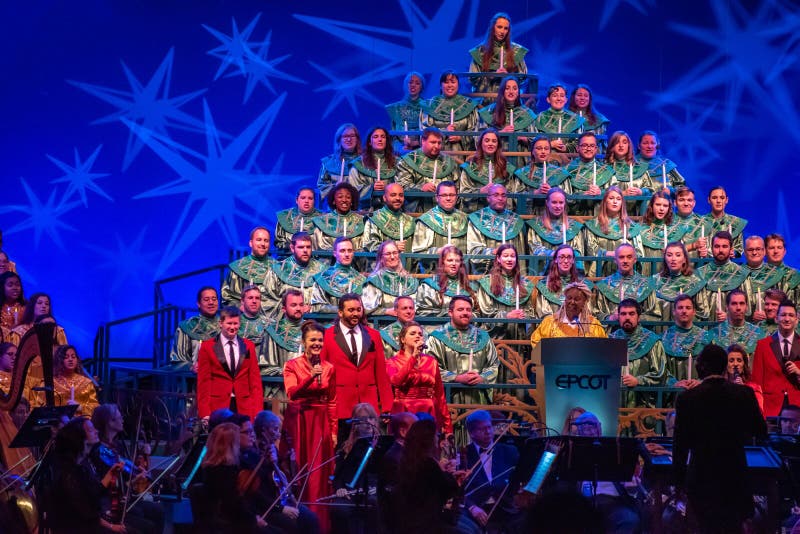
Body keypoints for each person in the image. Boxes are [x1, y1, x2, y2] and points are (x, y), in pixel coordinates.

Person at [673, 344, 767, 533]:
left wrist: (678, 481)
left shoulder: (687, 398)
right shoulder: (744, 394)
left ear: (701, 368)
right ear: (725, 366)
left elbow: (680, 444)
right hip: (735, 474)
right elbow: (760, 431)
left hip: (701, 476)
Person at [283, 321, 337, 526]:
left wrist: (333, 430)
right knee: (300, 470)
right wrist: (310, 378)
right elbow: (292, 393)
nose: (317, 343)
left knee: (319, 474)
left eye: (320, 340)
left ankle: (319, 523)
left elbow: (332, 400)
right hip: (300, 421)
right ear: (304, 342)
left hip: (320, 422)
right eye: (312, 340)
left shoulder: (329, 367)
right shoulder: (292, 365)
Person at [320, 293, 393, 442]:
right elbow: (323, 372)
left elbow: (381, 373)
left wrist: (387, 405)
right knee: (342, 452)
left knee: (368, 452)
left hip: (368, 405)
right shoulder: (327, 336)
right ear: (340, 312)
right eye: (351, 310)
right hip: (341, 405)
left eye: (358, 309)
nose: (355, 314)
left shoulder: (373, 335)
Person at [36, 416, 125, 533]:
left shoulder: (82, 464)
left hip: (90, 523)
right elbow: (86, 513)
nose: (96, 431)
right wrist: (112, 527)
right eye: (91, 430)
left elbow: (94, 493)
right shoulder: (66, 473)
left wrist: (110, 474)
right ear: (79, 437)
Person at [88, 404, 165, 534]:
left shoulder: (117, 445)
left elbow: (126, 480)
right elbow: (109, 484)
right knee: (147, 523)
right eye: (119, 417)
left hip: (124, 498)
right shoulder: (99, 451)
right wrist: (133, 475)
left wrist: (136, 471)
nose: (123, 419)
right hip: (110, 503)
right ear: (110, 423)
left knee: (158, 511)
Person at [241, 411, 321, 534]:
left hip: (280, 501)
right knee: (294, 524)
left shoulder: (272, 448)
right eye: (275, 429)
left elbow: (283, 478)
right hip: (266, 506)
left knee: (311, 518)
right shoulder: (253, 453)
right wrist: (281, 508)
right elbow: (258, 489)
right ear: (264, 430)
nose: (278, 434)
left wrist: (289, 461)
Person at [459, 410, 523, 533]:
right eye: (482, 429)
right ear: (472, 433)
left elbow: (520, 476)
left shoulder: (510, 451)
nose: (488, 432)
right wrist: (472, 507)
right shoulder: (463, 454)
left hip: (506, 508)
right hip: (478, 510)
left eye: (489, 427)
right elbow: (458, 490)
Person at [427, 296, 498, 405]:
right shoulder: (437, 338)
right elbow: (430, 368)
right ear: (450, 312)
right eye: (460, 309)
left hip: (477, 397)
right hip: (448, 398)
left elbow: (494, 365)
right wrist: (456, 378)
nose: (465, 313)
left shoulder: (483, 337)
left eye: (468, 310)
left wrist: (482, 377)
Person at [197, 307, 264, 421]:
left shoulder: (248, 346)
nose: (233, 327)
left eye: (236, 324)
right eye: (229, 323)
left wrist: (257, 411)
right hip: (218, 407)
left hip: (244, 406)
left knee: (243, 438)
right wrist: (205, 413)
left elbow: (255, 381)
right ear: (221, 323)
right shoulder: (207, 347)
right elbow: (204, 382)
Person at [386, 321, 452, 435]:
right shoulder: (392, 362)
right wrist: (413, 358)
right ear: (403, 339)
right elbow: (396, 381)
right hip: (404, 411)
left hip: (428, 410)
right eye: (412, 333)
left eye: (420, 334)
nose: (417, 336)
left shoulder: (431, 361)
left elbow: (440, 395)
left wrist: (448, 427)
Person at [199, 422, 267, 532]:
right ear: (230, 444)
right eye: (237, 441)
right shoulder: (224, 471)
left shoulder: (212, 467)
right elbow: (233, 504)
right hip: (231, 524)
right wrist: (254, 519)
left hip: (234, 519)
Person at [611, 299, 666, 408]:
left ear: (639, 317)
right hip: (616, 404)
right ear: (619, 317)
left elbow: (660, 374)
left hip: (643, 405)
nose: (627, 317)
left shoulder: (652, 341)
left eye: (631, 314)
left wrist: (638, 380)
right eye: (623, 314)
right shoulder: (611, 340)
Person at [474, 244, 534, 341]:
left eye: (512, 256)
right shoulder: (487, 282)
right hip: (495, 336)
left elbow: (530, 311)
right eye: (505, 256)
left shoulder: (525, 284)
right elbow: (485, 311)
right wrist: (507, 316)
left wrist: (523, 315)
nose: (509, 259)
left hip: (518, 334)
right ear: (498, 258)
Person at [752, 299, 800, 416]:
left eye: (791, 315)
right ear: (776, 318)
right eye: (783, 315)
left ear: (796, 320)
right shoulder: (763, 345)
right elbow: (756, 382)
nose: (787, 319)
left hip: (797, 407)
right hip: (770, 408)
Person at [583, 186, 644, 277]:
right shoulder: (593, 225)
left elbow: (639, 253)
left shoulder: (631, 227)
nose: (615, 202)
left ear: (622, 203)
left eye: (618, 199)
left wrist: (624, 255)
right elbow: (590, 250)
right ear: (605, 202)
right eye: (611, 198)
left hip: (625, 275)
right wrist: (606, 253)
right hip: (601, 274)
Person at [262, 232, 325, 318]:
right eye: (301, 247)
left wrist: (313, 308)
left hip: (316, 323)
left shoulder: (322, 271)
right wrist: (292, 309)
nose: (305, 250)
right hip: (285, 323)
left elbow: (329, 302)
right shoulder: (278, 270)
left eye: (308, 247)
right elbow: (266, 300)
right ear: (292, 248)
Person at [395, 127, 459, 213]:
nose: (436, 146)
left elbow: (457, 187)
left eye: (439, 143)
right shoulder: (407, 161)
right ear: (423, 141)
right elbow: (400, 188)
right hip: (418, 213)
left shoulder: (450, 162)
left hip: (446, 212)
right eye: (433, 142)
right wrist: (421, 188)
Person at [468, 12, 529, 101]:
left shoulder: (516, 51)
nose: (502, 32)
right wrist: (492, 76)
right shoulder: (480, 51)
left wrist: (509, 78)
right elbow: (474, 80)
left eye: (506, 28)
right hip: (484, 104)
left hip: (509, 102)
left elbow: (523, 78)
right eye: (499, 27)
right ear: (492, 28)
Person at [411, 181, 469, 273]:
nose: (448, 198)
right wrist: (438, 251)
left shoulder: (465, 219)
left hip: (461, 274)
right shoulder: (427, 219)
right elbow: (418, 253)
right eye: (444, 195)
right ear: (437, 198)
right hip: (434, 274)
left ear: (457, 197)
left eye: (452, 195)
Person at [466, 183, 525, 274]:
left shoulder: (515, 221)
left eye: (503, 195)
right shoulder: (477, 218)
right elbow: (474, 251)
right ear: (488, 198)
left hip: (512, 275)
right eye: (496, 195)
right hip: (486, 275)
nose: (500, 198)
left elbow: (520, 254)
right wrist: (493, 252)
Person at [458, 127, 519, 213]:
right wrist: (480, 191)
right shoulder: (470, 166)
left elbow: (511, 195)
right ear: (480, 144)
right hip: (476, 214)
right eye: (487, 141)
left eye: (494, 141)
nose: (490, 144)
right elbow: (463, 194)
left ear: (498, 145)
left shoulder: (506, 167)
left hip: (500, 215)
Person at [530, 281, 607, 347]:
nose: (572, 302)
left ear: (585, 302)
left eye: (577, 299)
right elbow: (536, 342)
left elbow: (602, 347)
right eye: (569, 298)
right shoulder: (550, 322)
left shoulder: (593, 325)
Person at [420, 70, 479, 153]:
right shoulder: (429, 105)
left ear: (458, 85)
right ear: (441, 85)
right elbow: (425, 130)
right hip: (437, 152)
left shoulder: (468, 104)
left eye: (453, 82)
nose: (450, 85)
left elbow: (475, 130)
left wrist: (461, 137)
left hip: (461, 153)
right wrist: (443, 132)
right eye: (446, 82)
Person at [526, 187, 585, 270]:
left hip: (569, 274)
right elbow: (535, 249)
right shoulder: (536, 225)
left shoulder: (574, 226)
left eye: (561, 203)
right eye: (554, 202)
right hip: (545, 275)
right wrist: (555, 254)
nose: (558, 206)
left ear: (565, 204)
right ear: (547, 203)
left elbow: (578, 252)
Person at [594, 243, 656, 321]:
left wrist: (635, 318)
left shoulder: (647, 285)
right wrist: (611, 318)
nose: (625, 261)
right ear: (615, 260)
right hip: (611, 332)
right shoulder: (604, 285)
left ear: (635, 260)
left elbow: (654, 315)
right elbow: (595, 314)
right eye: (621, 257)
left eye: (629, 257)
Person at [477, 77, 536, 158]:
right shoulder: (489, 111)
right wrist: (500, 133)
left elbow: (536, 141)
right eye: (507, 88)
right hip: (496, 157)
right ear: (502, 91)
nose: (511, 91)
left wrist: (524, 138)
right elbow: (478, 137)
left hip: (519, 158)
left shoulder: (527, 113)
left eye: (514, 88)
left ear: (518, 92)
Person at [651, 241, 709, 323]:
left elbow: (703, 314)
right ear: (665, 259)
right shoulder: (655, 281)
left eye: (678, 255)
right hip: (662, 331)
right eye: (669, 255)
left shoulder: (696, 283)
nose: (673, 259)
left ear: (684, 259)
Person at [661, 294, 711, 385]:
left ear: (694, 312)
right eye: (680, 308)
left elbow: (712, 367)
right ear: (674, 312)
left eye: (688, 308)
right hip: (673, 392)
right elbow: (661, 369)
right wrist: (674, 383)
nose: (684, 311)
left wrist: (700, 382)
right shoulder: (663, 338)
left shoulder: (706, 337)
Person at [37, 344, 99, 416]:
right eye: (66, 357)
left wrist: (80, 407)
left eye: (73, 357)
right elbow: (40, 405)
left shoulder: (86, 383)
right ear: (59, 360)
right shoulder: (49, 383)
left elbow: (95, 407)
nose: (70, 359)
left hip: (81, 423)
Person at [696, 231, 747, 319]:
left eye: (724, 246)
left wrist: (729, 316)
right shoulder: (700, 273)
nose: (720, 250)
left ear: (731, 249)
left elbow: (747, 308)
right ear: (711, 249)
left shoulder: (741, 273)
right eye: (717, 246)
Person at [533, 244, 592, 319]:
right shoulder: (544, 285)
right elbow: (544, 315)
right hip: (553, 328)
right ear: (556, 259)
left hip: (577, 326)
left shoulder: (583, 284)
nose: (566, 261)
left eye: (569, 257)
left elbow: (588, 314)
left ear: (573, 260)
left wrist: (586, 296)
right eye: (562, 257)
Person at [416, 245, 478, 317]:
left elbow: (477, 313)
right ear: (442, 262)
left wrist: (466, 315)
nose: (454, 264)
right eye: (450, 260)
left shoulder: (470, 287)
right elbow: (422, 312)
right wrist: (449, 314)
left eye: (457, 261)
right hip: (436, 326)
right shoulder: (429, 286)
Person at [309, 236, 366, 314]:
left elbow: (366, 307)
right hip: (329, 323)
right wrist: (345, 310)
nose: (347, 254)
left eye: (349, 251)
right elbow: (317, 307)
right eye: (342, 251)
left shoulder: (361, 279)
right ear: (335, 253)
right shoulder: (323, 277)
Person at [362, 240, 419, 315]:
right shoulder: (374, 281)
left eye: (395, 253)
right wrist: (386, 311)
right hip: (382, 325)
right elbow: (366, 308)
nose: (392, 257)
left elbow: (418, 307)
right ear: (381, 258)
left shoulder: (411, 281)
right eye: (388, 254)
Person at [221, 226, 273, 308]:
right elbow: (228, 297)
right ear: (251, 243)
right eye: (259, 240)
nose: (263, 244)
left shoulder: (277, 268)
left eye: (266, 241)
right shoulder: (237, 268)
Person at [347, 126, 397, 210]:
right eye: (375, 137)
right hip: (365, 210)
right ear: (369, 142)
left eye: (383, 137)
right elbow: (353, 190)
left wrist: (388, 188)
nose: (380, 139)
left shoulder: (396, 163)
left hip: (390, 209)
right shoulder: (358, 164)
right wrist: (371, 188)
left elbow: (401, 185)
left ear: (387, 141)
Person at [169, 286, 220, 365]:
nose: (211, 302)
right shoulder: (187, 326)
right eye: (206, 299)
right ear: (198, 304)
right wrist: (192, 367)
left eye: (214, 299)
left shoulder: (227, 325)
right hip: (195, 375)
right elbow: (178, 360)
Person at [562, 132, 612, 214]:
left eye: (592, 146)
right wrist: (581, 195)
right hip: (574, 217)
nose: (588, 149)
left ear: (596, 149)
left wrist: (601, 192)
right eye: (584, 145)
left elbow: (615, 193)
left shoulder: (607, 171)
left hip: (599, 216)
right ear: (577, 148)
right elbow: (561, 197)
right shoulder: (566, 171)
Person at [639, 192, 687, 275]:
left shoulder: (676, 229)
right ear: (651, 206)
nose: (661, 209)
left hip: (669, 273)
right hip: (647, 270)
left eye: (665, 206)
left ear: (669, 208)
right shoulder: (640, 228)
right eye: (658, 205)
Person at [310, 182, 366, 253]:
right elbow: (317, 248)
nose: (344, 200)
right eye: (340, 197)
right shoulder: (322, 221)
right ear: (333, 201)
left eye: (348, 197)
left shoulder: (362, 221)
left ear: (352, 201)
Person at [317, 123, 361, 209]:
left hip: (359, 209)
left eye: (352, 136)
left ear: (357, 139)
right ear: (339, 140)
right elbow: (321, 187)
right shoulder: (328, 162)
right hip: (334, 211)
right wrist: (335, 187)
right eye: (345, 136)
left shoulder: (365, 162)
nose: (349, 139)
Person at [741, 235, 784, 321]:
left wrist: (770, 314)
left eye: (758, 249)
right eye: (750, 250)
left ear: (764, 251)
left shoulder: (776, 274)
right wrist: (749, 316)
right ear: (745, 253)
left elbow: (783, 303)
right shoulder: (737, 274)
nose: (754, 253)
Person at [262, 289, 304, 376]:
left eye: (301, 305)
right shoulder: (273, 331)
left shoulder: (311, 329)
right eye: (293, 305)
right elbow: (267, 368)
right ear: (284, 309)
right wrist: (291, 372)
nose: (298, 308)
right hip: (281, 385)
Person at [710, 289, 766, 355]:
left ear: (746, 307)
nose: (738, 308)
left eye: (742, 303)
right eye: (734, 303)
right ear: (727, 307)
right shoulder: (714, 333)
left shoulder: (758, 333)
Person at [362, 183, 415, 252]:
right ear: (384, 198)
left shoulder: (411, 221)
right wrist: (393, 246)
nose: (398, 198)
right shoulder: (374, 218)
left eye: (401, 195)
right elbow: (369, 245)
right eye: (393, 195)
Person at [533, 83, 584, 154]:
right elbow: (532, 141)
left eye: (562, 96)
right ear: (548, 99)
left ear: (566, 99)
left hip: (568, 162)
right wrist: (550, 145)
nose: (559, 99)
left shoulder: (576, 120)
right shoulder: (539, 118)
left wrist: (566, 148)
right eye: (555, 96)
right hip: (544, 159)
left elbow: (580, 143)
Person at [702, 185, 747, 257]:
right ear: (708, 200)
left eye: (722, 198)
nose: (718, 201)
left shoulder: (735, 223)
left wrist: (734, 253)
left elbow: (739, 248)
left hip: (728, 264)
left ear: (726, 200)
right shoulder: (700, 221)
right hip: (704, 264)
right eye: (714, 198)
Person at [385, 71, 424, 153]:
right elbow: (393, 137)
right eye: (410, 82)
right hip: (401, 152)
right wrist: (400, 149)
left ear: (422, 87)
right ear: (405, 85)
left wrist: (416, 143)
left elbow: (429, 134)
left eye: (417, 83)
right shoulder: (396, 108)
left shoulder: (427, 107)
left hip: (421, 152)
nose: (413, 85)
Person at [274, 187, 322, 253]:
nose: (306, 201)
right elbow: (279, 242)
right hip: (288, 258)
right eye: (303, 198)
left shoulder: (323, 219)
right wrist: (291, 247)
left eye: (310, 198)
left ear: (314, 201)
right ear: (297, 200)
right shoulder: (284, 217)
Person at [726, 343, 764, 414]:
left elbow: (759, 412)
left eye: (739, 360)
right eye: (731, 361)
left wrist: (744, 391)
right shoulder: (720, 387)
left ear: (744, 364)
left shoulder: (754, 388)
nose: (735, 364)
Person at [673, 186, 708, 258]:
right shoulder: (667, 222)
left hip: (697, 267)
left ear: (694, 203)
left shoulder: (704, 224)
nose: (686, 203)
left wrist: (706, 253)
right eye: (681, 200)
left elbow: (712, 252)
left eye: (689, 200)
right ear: (675, 203)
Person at [237, 285, 269, 362]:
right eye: (250, 298)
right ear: (242, 301)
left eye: (257, 298)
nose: (254, 301)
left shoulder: (269, 324)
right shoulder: (235, 324)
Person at [765, 233, 800, 304]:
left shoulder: (795, 275)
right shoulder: (758, 275)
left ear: (784, 252)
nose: (776, 251)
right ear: (764, 251)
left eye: (779, 248)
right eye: (772, 248)